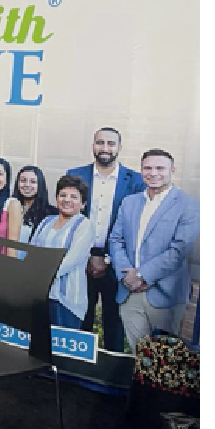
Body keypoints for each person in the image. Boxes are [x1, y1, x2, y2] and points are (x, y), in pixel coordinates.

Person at [108, 150, 200, 352]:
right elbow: (115, 240)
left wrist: (141, 275)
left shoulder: (189, 205)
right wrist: (126, 276)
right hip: (129, 292)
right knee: (138, 356)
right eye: (147, 168)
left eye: (160, 168)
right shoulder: (129, 202)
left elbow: (179, 250)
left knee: (164, 360)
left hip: (165, 294)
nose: (153, 173)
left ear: (172, 170)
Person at [67, 127, 145, 352]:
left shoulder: (135, 181)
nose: (105, 148)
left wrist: (107, 258)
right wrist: (88, 255)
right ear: (93, 145)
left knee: (114, 323)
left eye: (111, 143)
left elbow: (135, 226)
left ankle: (112, 369)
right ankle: (76, 365)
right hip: (80, 260)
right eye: (100, 142)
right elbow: (68, 216)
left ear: (119, 147)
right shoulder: (75, 175)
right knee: (80, 317)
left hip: (117, 263)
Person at [29, 176, 94, 328]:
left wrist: (41, 275)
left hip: (67, 300)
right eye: (63, 195)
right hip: (40, 295)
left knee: (60, 341)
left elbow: (70, 261)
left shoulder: (84, 225)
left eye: (74, 197)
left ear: (83, 204)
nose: (67, 200)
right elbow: (32, 251)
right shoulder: (46, 222)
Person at [14, 165, 57, 244]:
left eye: (33, 182)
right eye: (23, 180)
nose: (27, 185)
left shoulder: (51, 214)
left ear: (40, 185)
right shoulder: (9, 207)